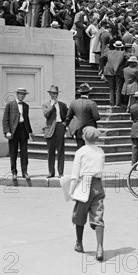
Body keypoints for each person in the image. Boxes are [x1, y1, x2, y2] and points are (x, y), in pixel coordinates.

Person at [69, 126, 105, 261]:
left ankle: (79, 243)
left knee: (79, 214)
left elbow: (75, 174)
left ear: (84, 137)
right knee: (98, 215)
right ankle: (100, 248)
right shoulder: (101, 152)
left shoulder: (81, 152)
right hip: (97, 184)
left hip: (84, 184)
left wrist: (71, 191)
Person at [2, 88, 34, 180]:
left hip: (23, 130)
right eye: (21, 94)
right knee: (13, 152)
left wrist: (30, 132)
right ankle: (14, 172)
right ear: (17, 94)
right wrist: (7, 131)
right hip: (13, 131)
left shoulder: (26, 106)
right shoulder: (10, 105)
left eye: (24, 95)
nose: (22, 96)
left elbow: (27, 120)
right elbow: (5, 119)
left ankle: (25, 172)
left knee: (24, 153)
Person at [42, 85, 68, 178]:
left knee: (61, 150)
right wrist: (52, 105)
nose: (54, 95)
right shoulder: (46, 104)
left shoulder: (62, 105)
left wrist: (65, 124)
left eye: (56, 93)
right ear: (50, 94)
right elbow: (46, 115)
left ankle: (60, 172)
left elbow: (67, 116)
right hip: (50, 128)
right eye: (53, 93)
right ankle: (51, 172)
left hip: (60, 126)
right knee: (50, 151)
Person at [65, 83, 100, 149]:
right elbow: (96, 117)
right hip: (90, 130)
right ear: (88, 93)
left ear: (80, 93)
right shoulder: (92, 103)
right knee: (90, 148)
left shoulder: (74, 103)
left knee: (80, 147)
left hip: (78, 129)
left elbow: (68, 116)